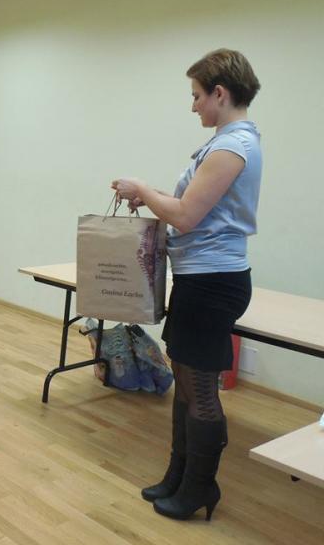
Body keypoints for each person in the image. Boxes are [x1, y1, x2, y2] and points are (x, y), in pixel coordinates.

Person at [112, 48, 261, 521]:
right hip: (200, 278)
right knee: (187, 383)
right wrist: (152, 197)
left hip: (213, 283)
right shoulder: (223, 143)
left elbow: (187, 216)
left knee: (200, 390)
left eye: (197, 95)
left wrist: (144, 190)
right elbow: (190, 207)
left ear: (220, 93)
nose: (193, 104)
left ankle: (200, 487)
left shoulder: (232, 147)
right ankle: (178, 474)